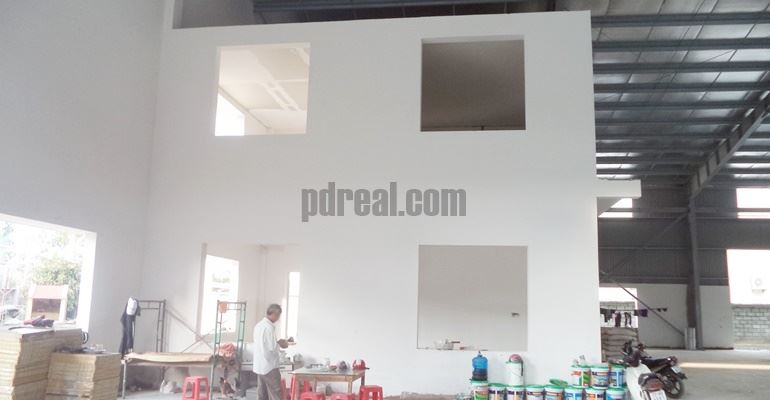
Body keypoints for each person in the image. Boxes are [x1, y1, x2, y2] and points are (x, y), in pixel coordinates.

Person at [254, 304, 291, 400]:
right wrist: (282, 344)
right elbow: (272, 347)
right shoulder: (269, 328)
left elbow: (264, 344)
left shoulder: (258, 325)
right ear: (275, 314)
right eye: (278, 316)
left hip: (260, 366)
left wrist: (277, 342)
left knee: (262, 394)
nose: (278, 319)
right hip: (270, 366)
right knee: (276, 394)